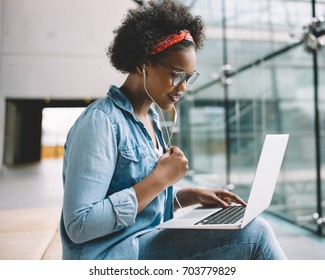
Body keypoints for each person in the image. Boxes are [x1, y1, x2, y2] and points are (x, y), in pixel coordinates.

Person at [60, 0, 287, 260]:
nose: (183, 87)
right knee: (255, 235)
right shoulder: (100, 122)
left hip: (142, 242)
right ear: (142, 64)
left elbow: (134, 193)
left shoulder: (151, 117)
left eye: (189, 78)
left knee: (250, 230)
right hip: (113, 257)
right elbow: (79, 225)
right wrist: (160, 179)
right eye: (177, 75)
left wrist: (192, 196)